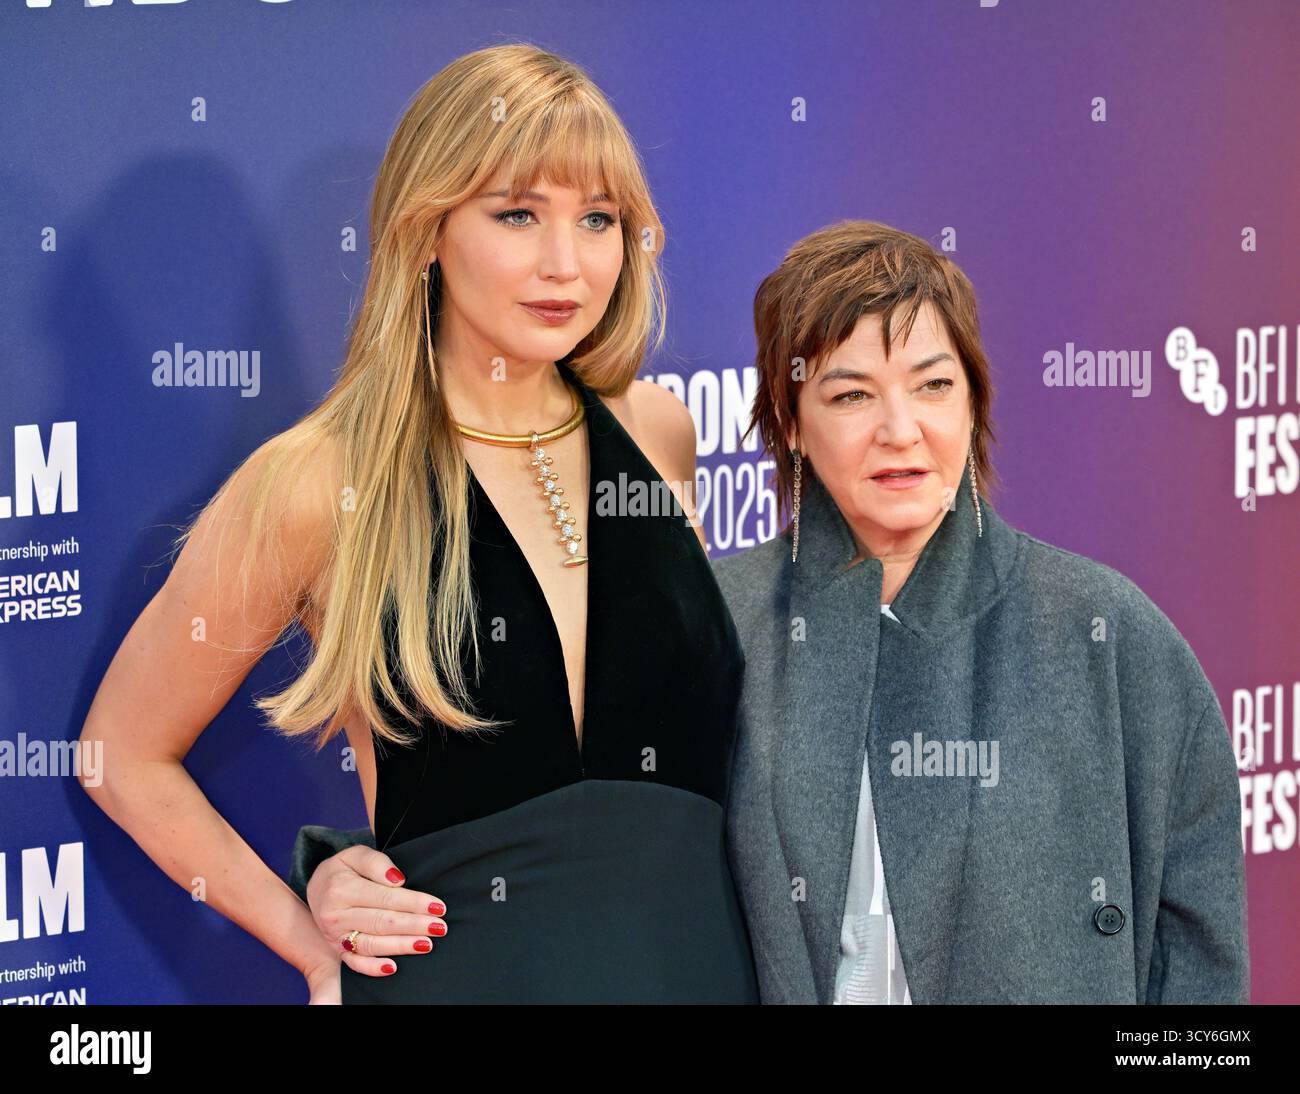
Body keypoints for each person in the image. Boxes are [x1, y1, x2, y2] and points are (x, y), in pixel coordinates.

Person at [294, 220, 1249, 1004]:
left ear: (974, 404)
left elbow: (1198, 938)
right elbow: (608, 828)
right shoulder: (725, 624)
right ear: (788, 424)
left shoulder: (1102, 633)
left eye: (933, 386)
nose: (900, 432)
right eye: (849, 394)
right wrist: (356, 872)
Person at [78, 42, 759, 1005]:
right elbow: (122, 754)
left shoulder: (657, 433)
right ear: (426, 228)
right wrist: (308, 938)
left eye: (598, 219)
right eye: (518, 213)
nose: (566, 263)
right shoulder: (317, 483)